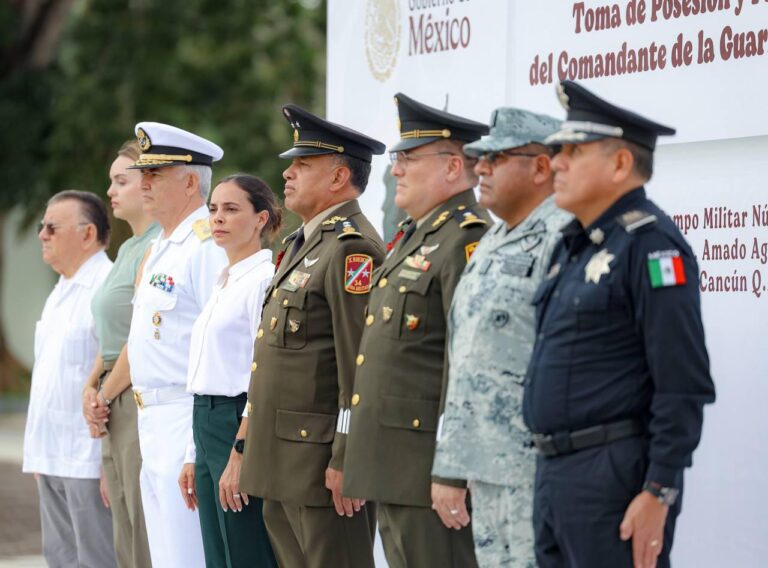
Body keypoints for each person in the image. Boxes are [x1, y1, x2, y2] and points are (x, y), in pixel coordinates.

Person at [523, 80, 716, 568]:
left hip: (611, 478)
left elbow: (682, 383)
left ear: (621, 164)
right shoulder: (575, 244)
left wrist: (659, 490)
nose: (558, 162)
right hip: (555, 473)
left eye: (573, 150)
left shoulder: (651, 247)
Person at [342, 92, 490, 568]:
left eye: (407, 158)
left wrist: (453, 465)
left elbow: (467, 362)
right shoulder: (417, 235)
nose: (397, 169)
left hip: (429, 467)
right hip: (396, 465)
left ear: (452, 167)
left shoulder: (467, 236)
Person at [234, 104, 385, 568]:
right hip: (283, 462)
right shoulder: (303, 243)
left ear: (339, 178)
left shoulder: (351, 248)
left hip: (322, 467)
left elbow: (360, 366)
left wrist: (347, 457)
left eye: (302, 165)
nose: (287, 173)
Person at [431, 107, 571, 567]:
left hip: (535, 467)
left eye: (497, 158)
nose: (482, 167)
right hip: (486, 466)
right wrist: (453, 463)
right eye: (480, 158)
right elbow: (469, 358)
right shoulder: (494, 238)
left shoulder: (565, 237)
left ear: (541, 167)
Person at [126, 122, 228, 568]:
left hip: (185, 416)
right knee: (167, 555)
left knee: (190, 555)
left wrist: (193, 447)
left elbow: (222, 346)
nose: (143, 183)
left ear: (191, 182)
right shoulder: (164, 246)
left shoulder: (206, 245)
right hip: (151, 418)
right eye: (143, 174)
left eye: (156, 174)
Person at [180, 174, 279, 567]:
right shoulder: (224, 281)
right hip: (205, 421)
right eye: (214, 209)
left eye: (232, 209)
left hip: (236, 420)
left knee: (245, 548)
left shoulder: (263, 281)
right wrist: (193, 453)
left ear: (261, 219)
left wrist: (241, 451)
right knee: (217, 553)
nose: (218, 218)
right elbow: (206, 371)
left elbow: (264, 372)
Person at [23, 190, 116, 567]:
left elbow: (112, 373)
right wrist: (39, 452)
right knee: (60, 559)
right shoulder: (60, 291)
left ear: (87, 234)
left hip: (87, 457)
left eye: (51, 227)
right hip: (52, 453)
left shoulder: (106, 289)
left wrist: (107, 465)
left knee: (97, 559)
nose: (42, 234)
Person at [80, 139, 158, 568]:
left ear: (148, 184)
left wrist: (104, 394)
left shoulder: (155, 247)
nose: (110, 191)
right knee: (124, 530)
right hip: (113, 390)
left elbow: (140, 336)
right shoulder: (128, 248)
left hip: (131, 391)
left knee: (143, 525)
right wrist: (89, 386)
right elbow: (109, 336)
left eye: (120, 181)